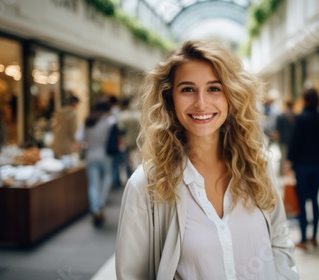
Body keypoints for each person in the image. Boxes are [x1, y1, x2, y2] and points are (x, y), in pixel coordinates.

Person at [115, 40, 298, 279]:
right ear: (170, 99)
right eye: (188, 89)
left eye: (214, 88)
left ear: (231, 95)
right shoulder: (145, 185)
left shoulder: (257, 166)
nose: (201, 103)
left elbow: (280, 241)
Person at [287, 88, 319, 250]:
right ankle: (315, 237)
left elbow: (295, 142)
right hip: (317, 165)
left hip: (302, 166)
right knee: (314, 199)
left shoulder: (301, 119)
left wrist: (289, 161)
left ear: (304, 100)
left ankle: (304, 239)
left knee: (302, 200)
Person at [83, 99, 113, 226]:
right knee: (108, 178)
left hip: (90, 154)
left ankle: (95, 209)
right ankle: (100, 203)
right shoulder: (108, 121)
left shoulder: (89, 121)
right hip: (105, 154)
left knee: (93, 184)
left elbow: (81, 138)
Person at [117, 97, 141, 178]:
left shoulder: (122, 116)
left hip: (126, 142)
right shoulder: (138, 115)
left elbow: (121, 131)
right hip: (138, 142)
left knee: (127, 162)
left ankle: (130, 178)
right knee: (137, 162)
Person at [273, 98, 295, 176]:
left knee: (283, 157)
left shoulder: (281, 116)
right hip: (293, 140)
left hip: (283, 140)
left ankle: (283, 172)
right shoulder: (296, 116)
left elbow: (277, 130)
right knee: (291, 157)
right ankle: (289, 172)